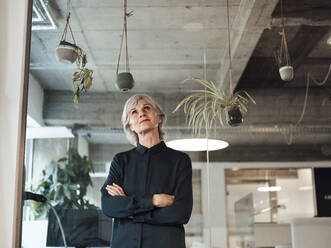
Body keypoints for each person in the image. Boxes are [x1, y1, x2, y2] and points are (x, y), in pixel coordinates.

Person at [100, 94, 193, 248]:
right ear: (130, 126)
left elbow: (181, 212)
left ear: (159, 118)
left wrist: (129, 209)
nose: (141, 113)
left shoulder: (180, 161)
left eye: (147, 108)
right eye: (134, 112)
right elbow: (109, 206)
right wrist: (153, 201)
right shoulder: (121, 161)